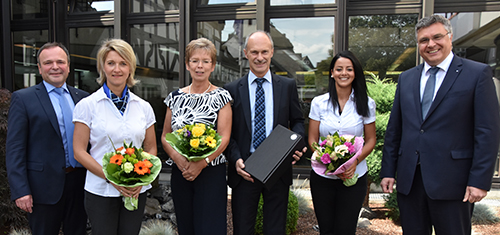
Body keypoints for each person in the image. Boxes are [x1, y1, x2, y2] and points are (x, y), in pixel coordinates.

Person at [380, 14, 500, 235]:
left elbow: (487, 132)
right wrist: (388, 170)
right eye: (424, 40)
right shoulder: (407, 78)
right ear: (418, 45)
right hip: (411, 181)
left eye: (437, 37)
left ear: (450, 37)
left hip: (454, 182)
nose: (430, 44)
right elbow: (395, 129)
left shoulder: (476, 74)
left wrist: (480, 180)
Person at [224, 30, 306, 235]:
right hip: (244, 169)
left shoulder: (287, 86)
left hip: (277, 167)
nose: (259, 57)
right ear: (245, 53)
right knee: (243, 229)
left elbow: (297, 121)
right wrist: (235, 160)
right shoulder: (232, 89)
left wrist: (295, 147)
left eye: (264, 52)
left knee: (275, 229)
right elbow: (227, 132)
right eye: (254, 52)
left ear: (272, 52)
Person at [73, 39, 157, 235]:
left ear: (130, 68)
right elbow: (79, 151)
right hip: (100, 191)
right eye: (111, 63)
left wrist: (142, 179)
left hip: (136, 191)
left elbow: (151, 148)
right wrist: (112, 178)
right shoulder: (88, 105)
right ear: (103, 67)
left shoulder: (143, 107)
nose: (116, 69)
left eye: (123, 63)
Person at [6, 42, 89, 235]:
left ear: (68, 66)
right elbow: (15, 149)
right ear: (39, 68)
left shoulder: (84, 99)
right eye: (48, 62)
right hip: (42, 188)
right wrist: (20, 190)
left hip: (80, 184)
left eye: (60, 62)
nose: (55, 67)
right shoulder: (23, 99)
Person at [161, 37, 232, 235]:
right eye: (194, 60)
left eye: (205, 61)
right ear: (187, 64)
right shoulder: (174, 98)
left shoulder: (222, 97)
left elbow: (224, 137)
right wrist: (179, 160)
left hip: (210, 172)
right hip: (181, 171)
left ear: (213, 65)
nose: (200, 66)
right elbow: (166, 135)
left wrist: (201, 163)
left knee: (210, 227)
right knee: (186, 225)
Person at [308, 50, 376, 234]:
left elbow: (371, 139)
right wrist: (326, 160)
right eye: (339, 69)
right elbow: (313, 139)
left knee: (346, 229)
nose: (343, 73)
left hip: (355, 177)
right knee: (326, 229)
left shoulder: (366, 103)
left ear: (355, 73)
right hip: (323, 177)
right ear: (332, 72)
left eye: (349, 69)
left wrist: (354, 161)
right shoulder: (318, 103)